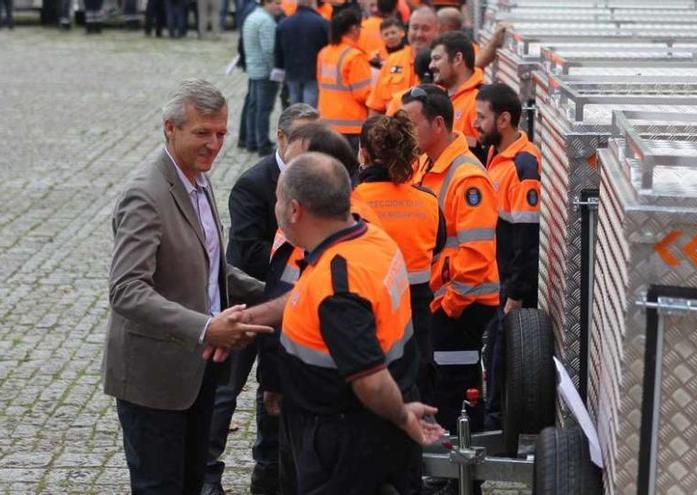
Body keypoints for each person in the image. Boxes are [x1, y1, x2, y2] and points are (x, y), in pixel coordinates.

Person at [103, 79, 273, 494]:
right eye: (202, 133)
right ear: (170, 128)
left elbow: (212, 268)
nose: (214, 144)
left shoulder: (198, 177)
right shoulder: (146, 193)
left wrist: (277, 295)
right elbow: (126, 290)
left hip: (200, 371)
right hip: (156, 377)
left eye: (220, 133)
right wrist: (205, 327)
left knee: (192, 482)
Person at [247, 152, 445, 495]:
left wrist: (402, 415)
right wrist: (251, 318)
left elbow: (371, 382)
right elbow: (307, 296)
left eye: (278, 198)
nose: (275, 208)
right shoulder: (369, 239)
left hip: (344, 440)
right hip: (371, 426)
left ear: (294, 209)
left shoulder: (339, 286)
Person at [201, 104, 319, 495]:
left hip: (295, 307)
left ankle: (269, 469)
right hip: (250, 299)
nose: (311, 149)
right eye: (304, 140)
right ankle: (207, 473)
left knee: (279, 386)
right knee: (225, 391)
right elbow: (246, 252)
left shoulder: (319, 180)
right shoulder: (254, 183)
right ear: (282, 139)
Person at [402, 85, 500, 434]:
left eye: (411, 125)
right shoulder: (429, 165)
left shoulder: (466, 177)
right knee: (439, 388)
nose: (405, 133)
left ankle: (457, 477)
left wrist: (449, 304)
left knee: (455, 394)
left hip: (460, 307)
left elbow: (476, 256)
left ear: (438, 124)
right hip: (441, 302)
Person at [352, 113, 446, 406]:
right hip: (416, 319)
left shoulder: (351, 202)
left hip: (365, 317)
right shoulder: (428, 201)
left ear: (364, 153)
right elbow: (438, 248)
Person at [473, 83, 541, 430]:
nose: (474, 124)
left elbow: (527, 237)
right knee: (492, 356)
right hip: (495, 280)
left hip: (509, 288)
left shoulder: (523, 166)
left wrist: (515, 293)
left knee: (500, 359)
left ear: (503, 119)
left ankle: (495, 430)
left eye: (480, 117)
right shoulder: (496, 157)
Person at [316, 8, 372, 152]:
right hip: (352, 127)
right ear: (354, 28)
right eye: (360, 27)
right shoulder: (354, 57)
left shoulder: (324, 52)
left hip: (327, 123)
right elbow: (364, 94)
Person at [366, 6, 438, 115]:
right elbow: (375, 108)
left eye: (425, 29)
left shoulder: (442, 64)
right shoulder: (392, 60)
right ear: (408, 29)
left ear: (438, 31)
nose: (419, 34)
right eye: (414, 28)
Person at [429, 31, 484, 152]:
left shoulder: (479, 100)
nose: (431, 66)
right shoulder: (438, 97)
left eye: (436, 59)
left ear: (457, 59)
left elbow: (485, 150)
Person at [243, 0, 283, 156]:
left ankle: (251, 140)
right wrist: (276, 70)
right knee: (263, 109)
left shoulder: (252, 16)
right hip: (265, 72)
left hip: (254, 69)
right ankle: (263, 144)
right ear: (267, 3)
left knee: (254, 107)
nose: (280, 6)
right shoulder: (266, 21)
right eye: (277, 3)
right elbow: (269, 50)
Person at [275, 0, 329, 109]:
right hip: (313, 73)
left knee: (295, 109)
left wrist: (279, 70)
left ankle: (296, 126)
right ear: (311, 3)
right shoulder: (322, 23)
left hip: (292, 73)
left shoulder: (284, 24)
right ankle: (308, 126)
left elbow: (278, 51)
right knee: (310, 110)